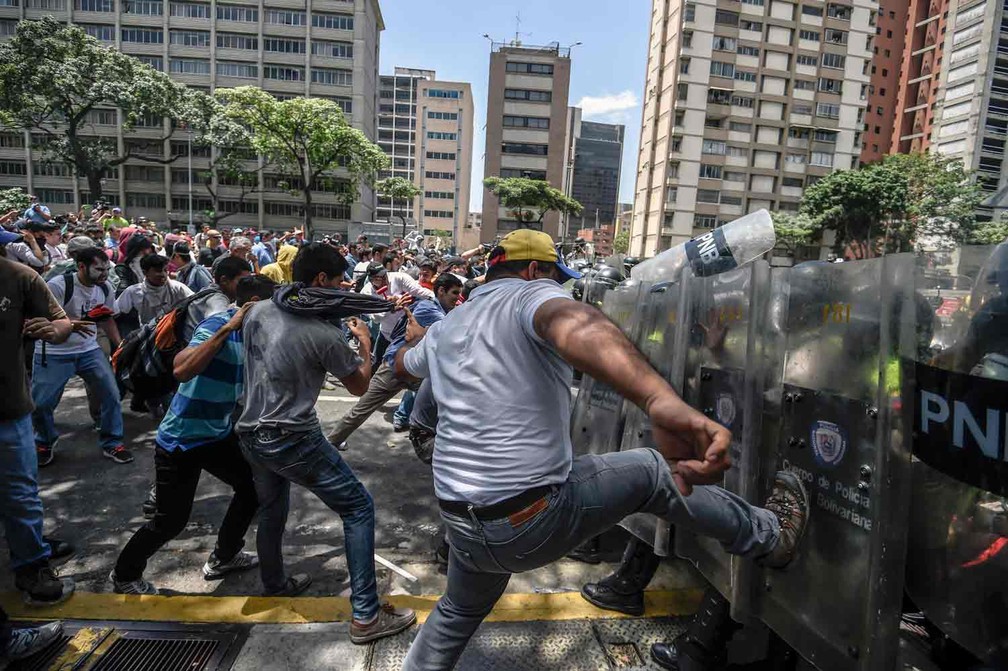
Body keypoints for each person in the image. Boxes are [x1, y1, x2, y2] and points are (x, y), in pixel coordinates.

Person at [393, 229, 811, 670]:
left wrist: (411, 336)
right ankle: (770, 535)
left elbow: (403, 367)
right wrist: (658, 400)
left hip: (462, 523)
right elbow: (571, 322)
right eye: (555, 278)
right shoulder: (531, 296)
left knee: (456, 612)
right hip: (529, 518)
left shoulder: (448, 328)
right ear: (536, 271)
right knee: (652, 470)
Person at [237, 243, 416, 641]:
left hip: (249, 431)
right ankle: (367, 616)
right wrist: (366, 343)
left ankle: (275, 582)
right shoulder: (324, 333)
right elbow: (360, 387)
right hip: (291, 437)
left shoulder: (258, 311)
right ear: (321, 280)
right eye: (338, 281)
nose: (343, 287)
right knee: (358, 508)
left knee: (271, 510)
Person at [109, 276, 277, 595]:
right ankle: (124, 574)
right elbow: (183, 370)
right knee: (171, 521)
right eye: (272, 307)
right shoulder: (218, 324)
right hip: (182, 439)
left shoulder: (260, 334)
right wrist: (230, 328)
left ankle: (224, 557)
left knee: (251, 488)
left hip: (215, 434)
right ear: (253, 304)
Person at [0, 228, 77, 606]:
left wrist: (53, 330)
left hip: (9, 411)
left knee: (20, 494)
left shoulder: (19, 277)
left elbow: (62, 322)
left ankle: (32, 564)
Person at [327, 273, 462, 446]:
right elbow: (454, 330)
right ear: (441, 291)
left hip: (416, 369)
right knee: (361, 410)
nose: (457, 298)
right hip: (394, 367)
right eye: (455, 293)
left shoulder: (438, 308)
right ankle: (331, 442)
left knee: (445, 403)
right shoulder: (428, 308)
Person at [32, 246, 130, 466]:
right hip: (54, 352)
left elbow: (107, 318)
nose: (104, 274)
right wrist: (74, 323)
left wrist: (120, 346)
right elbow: (41, 319)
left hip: (88, 349)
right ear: (81, 266)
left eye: (106, 269)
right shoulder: (58, 286)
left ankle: (112, 442)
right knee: (41, 404)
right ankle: (44, 442)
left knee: (111, 395)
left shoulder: (104, 288)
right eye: (98, 269)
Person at [363, 262, 434, 366]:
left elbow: (421, 292)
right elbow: (375, 318)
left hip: (405, 335)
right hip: (386, 333)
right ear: (371, 279)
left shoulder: (400, 278)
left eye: (384, 276)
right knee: (377, 364)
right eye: (378, 279)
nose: (384, 280)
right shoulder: (366, 293)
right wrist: (388, 307)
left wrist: (436, 298)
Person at [115, 254, 194, 327]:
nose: (163, 274)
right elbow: (116, 312)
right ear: (145, 273)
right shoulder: (134, 292)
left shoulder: (177, 288)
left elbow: (195, 303)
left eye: (165, 270)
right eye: (158, 271)